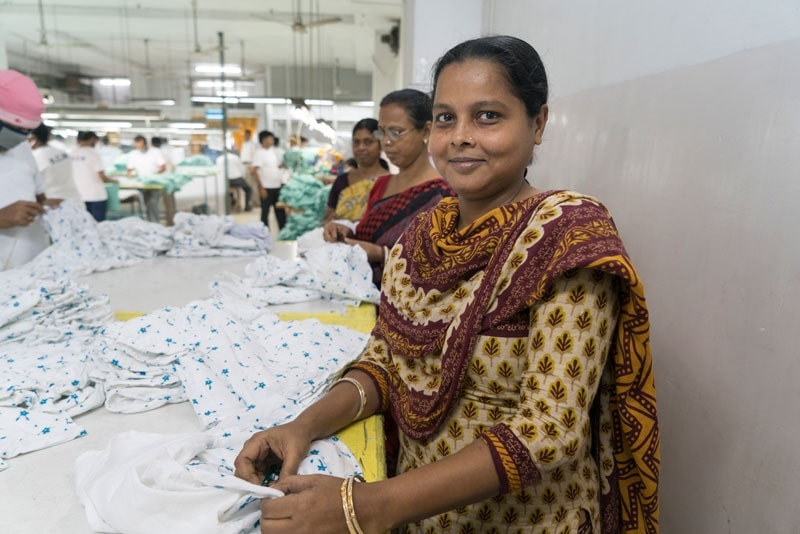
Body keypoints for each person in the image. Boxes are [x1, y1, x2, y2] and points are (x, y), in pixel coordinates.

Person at [234, 36, 660, 534]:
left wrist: (366, 507)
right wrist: (302, 427)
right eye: (444, 118)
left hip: (530, 521)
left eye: (487, 116)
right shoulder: (421, 236)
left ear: (538, 123)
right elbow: (385, 361)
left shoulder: (567, 236)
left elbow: (549, 430)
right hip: (417, 518)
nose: (459, 136)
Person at [322, 89, 455, 286]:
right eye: (382, 132)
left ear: (426, 131)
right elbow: (368, 232)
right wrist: (346, 231)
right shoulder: (381, 184)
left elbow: (441, 267)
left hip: (407, 305)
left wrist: (379, 254)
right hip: (362, 292)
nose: (386, 142)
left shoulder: (442, 197)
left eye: (396, 132)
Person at [0, 69, 59, 270]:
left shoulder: (21, 147)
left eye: (26, 132)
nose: (20, 138)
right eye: (13, 130)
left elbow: (38, 195)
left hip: (32, 269)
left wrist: (50, 207)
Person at [321, 119, 387, 224]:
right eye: (356, 142)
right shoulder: (341, 181)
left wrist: (352, 223)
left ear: (381, 145)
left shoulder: (391, 182)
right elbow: (325, 220)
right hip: (339, 239)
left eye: (368, 142)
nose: (361, 147)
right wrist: (331, 221)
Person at [29, 123, 82, 203]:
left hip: (53, 205)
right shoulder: (62, 152)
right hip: (75, 201)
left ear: (33, 138)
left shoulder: (35, 158)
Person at [71, 131, 114, 221]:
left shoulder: (71, 154)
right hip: (96, 196)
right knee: (98, 226)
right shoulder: (93, 154)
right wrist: (115, 181)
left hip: (78, 196)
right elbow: (102, 176)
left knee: (82, 225)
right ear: (92, 139)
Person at [251, 130, 286, 230]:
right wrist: (260, 188)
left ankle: (283, 232)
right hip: (266, 187)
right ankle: (264, 232)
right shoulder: (259, 153)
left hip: (277, 186)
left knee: (280, 211)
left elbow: (275, 166)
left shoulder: (272, 152)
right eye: (270, 138)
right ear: (264, 140)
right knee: (265, 212)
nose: (272, 140)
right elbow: (255, 171)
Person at [127, 135, 166, 222]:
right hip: (142, 184)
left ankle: (155, 223)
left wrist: (153, 175)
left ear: (145, 143)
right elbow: (129, 169)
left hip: (154, 183)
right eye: (137, 145)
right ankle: (149, 222)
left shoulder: (155, 152)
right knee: (146, 203)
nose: (139, 147)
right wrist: (131, 176)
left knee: (153, 203)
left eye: (140, 145)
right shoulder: (134, 154)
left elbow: (163, 167)